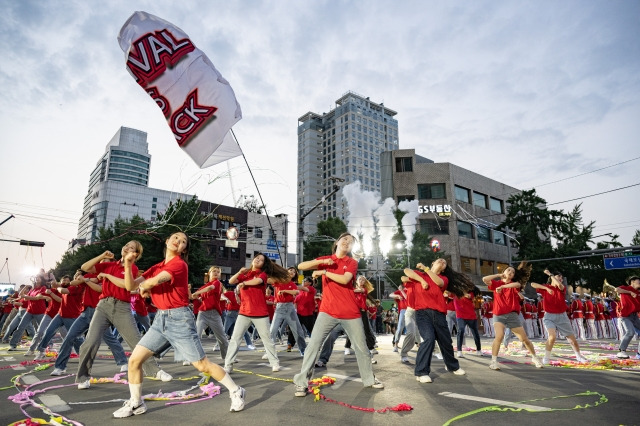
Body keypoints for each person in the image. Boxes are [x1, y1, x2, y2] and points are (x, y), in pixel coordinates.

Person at [113, 232, 245, 418]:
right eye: (175, 238)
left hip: (179, 319)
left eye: (183, 242)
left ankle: (236, 389)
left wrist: (145, 287)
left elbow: (150, 283)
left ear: (184, 250)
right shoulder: (157, 266)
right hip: (160, 320)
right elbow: (130, 286)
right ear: (167, 241)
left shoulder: (179, 265)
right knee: (134, 361)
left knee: (202, 365)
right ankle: (136, 403)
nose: (179, 242)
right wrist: (127, 264)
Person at [294, 233, 384, 396]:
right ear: (337, 242)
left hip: (350, 312)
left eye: (350, 242)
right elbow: (301, 265)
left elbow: (345, 279)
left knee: (361, 347)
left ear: (351, 248)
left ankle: (369, 379)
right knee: (313, 345)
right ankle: (302, 383)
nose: (347, 242)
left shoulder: (351, 262)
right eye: (345, 239)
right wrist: (321, 263)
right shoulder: (326, 259)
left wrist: (324, 273)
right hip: (327, 311)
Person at [75, 241, 171, 390]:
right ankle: (83, 377)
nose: (127, 248)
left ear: (136, 254)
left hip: (122, 307)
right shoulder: (109, 264)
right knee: (91, 341)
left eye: (131, 248)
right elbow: (84, 267)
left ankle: (155, 370)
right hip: (103, 306)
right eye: (126, 245)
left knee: (136, 341)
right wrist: (102, 255)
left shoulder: (132, 267)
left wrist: (106, 275)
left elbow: (126, 285)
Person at [48, 269, 128, 376]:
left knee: (110, 339)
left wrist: (85, 279)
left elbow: (100, 289)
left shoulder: (104, 277)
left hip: (100, 313)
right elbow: (71, 284)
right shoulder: (86, 278)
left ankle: (123, 362)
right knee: (69, 337)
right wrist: (59, 283)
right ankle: (60, 367)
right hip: (85, 313)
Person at [403, 259, 469, 383]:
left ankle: (452, 366)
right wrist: (421, 280)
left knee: (446, 341)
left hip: (439, 314)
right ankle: (421, 372)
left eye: (444, 263)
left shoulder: (443, 278)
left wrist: (426, 269)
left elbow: (438, 283)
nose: (442, 262)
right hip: (422, 313)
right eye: (440, 260)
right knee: (428, 339)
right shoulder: (420, 275)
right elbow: (406, 271)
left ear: (443, 269)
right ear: (433, 263)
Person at [224, 253, 288, 373]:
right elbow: (231, 281)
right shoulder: (245, 274)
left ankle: (274, 363)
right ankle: (228, 365)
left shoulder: (262, 274)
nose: (258, 260)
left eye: (261, 260)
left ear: (264, 264)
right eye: (257, 258)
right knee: (235, 339)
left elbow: (257, 281)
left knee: (267, 339)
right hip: (244, 312)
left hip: (260, 313)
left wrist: (243, 283)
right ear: (253, 260)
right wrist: (239, 272)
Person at [483, 263, 544, 370]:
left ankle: (535, 358)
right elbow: (484, 279)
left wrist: (502, 286)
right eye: (508, 271)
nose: (511, 273)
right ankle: (493, 361)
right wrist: (499, 275)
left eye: (513, 272)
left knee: (524, 339)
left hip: (512, 315)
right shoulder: (496, 283)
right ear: (504, 272)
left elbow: (517, 285)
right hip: (499, 315)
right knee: (499, 336)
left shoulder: (513, 284)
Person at [530, 270, 588, 364]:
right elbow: (533, 284)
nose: (561, 279)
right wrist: (546, 288)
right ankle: (546, 357)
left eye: (561, 277)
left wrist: (550, 274)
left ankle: (578, 356)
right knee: (552, 337)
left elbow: (559, 285)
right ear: (552, 279)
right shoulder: (546, 288)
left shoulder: (562, 288)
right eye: (559, 277)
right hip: (549, 316)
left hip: (562, 316)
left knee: (572, 339)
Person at [191, 266, 229, 359]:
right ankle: (193, 358)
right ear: (209, 273)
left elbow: (210, 288)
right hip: (203, 314)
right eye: (213, 271)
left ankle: (227, 358)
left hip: (215, 314)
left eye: (218, 272)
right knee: (196, 336)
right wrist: (190, 292)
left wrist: (197, 293)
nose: (216, 273)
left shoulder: (217, 283)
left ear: (220, 275)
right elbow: (193, 297)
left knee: (222, 339)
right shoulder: (204, 286)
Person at [269, 266, 307, 355]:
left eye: (294, 272)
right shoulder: (278, 281)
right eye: (290, 270)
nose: (292, 272)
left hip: (290, 308)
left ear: (294, 275)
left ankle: (303, 350)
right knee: (272, 330)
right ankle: (269, 351)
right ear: (286, 271)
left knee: (298, 331)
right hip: (279, 308)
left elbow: (296, 292)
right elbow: (269, 280)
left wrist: (285, 290)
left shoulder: (292, 284)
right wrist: (277, 273)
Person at [8, 276, 48, 350]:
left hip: (39, 311)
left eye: (38, 277)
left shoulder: (43, 288)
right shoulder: (32, 289)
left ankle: (47, 344)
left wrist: (26, 296)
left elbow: (36, 298)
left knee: (42, 329)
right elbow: (21, 295)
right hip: (29, 311)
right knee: (20, 327)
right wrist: (25, 287)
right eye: (36, 277)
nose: (36, 278)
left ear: (42, 280)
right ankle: (13, 345)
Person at [452, 286, 483, 357]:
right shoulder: (455, 293)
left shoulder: (471, 293)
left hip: (471, 316)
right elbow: (448, 293)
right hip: (460, 316)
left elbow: (469, 296)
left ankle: (479, 350)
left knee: (475, 333)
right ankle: (459, 351)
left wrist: (464, 294)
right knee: (461, 331)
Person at [614, 275, 640, 359]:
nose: (639, 282)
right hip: (625, 316)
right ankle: (622, 351)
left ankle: (639, 353)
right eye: (638, 281)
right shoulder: (625, 288)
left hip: (635, 316)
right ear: (632, 282)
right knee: (630, 332)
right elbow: (617, 289)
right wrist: (630, 292)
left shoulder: (638, 292)